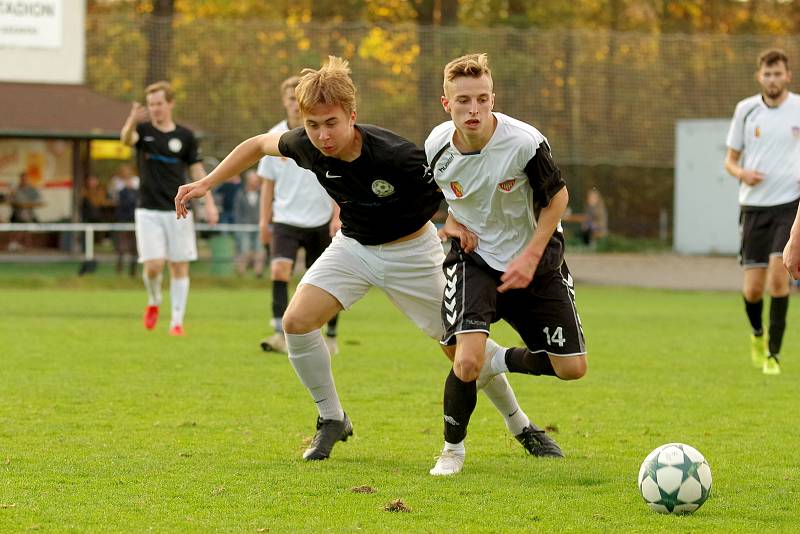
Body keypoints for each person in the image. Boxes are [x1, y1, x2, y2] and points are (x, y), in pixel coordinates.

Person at [175, 56, 553, 463]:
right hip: (354, 248)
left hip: (413, 253)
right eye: (313, 125)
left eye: (331, 123)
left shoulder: (397, 156)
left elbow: (454, 188)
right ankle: (331, 419)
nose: (322, 135)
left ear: (352, 116)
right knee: (296, 322)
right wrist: (206, 182)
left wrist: (455, 223)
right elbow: (257, 146)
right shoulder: (305, 143)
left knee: (463, 353)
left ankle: (521, 425)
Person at [425, 53, 587, 476]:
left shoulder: (524, 142)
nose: (473, 110)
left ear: (493, 98)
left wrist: (531, 255)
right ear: (447, 104)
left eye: (481, 99)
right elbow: (448, 193)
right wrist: (452, 221)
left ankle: (501, 361)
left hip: (535, 261)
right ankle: (452, 451)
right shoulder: (436, 146)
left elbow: (558, 198)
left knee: (571, 368)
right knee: (465, 361)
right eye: (463, 101)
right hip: (474, 260)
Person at [121, 80, 219, 336]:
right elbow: (125, 140)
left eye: (159, 104)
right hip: (148, 210)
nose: (155, 109)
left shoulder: (185, 137)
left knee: (178, 265)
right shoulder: (142, 131)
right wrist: (132, 120)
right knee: (153, 266)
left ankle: (176, 322)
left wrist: (209, 203)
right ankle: (154, 301)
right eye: (151, 104)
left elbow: (198, 171)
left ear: (170, 104)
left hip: (179, 210)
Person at [725, 48, 800, 376]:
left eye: (778, 73)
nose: (773, 79)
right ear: (760, 77)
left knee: (778, 281)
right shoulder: (746, 110)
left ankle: (773, 355)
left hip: (789, 205)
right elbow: (729, 160)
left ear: (788, 75)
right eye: (767, 74)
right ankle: (757, 335)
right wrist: (743, 174)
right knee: (753, 289)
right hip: (754, 206)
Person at [256, 75, 341, 356]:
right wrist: (263, 221)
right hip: (285, 220)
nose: (295, 104)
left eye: (299, 99)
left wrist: (336, 215)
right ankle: (279, 332)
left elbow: (339, 180)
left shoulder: (320, 134)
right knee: (280, 270)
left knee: (324, 278)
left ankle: (329, 335)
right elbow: (268, 185)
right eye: (290, 99)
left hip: (320, 219)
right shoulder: (274, 136)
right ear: (284, 101)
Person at [233, 170, 266, 277]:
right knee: (244, 250)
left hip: (258, 227)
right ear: (248, 181)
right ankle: (241, 274)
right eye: (253, 180)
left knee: (259, 251)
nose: (256, 182)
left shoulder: (262, 194)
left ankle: (258, 275)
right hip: (244, 228)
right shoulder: (240, 194)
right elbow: (237, 212)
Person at [8, 170, 44, 250]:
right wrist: (12, 196)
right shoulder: (16, 189)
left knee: (25, 225)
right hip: (16, 212)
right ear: (20, 179)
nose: (24, 180)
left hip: (28, 212)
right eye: (22, 178)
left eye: (26, 178)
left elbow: (39, 199)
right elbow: (10, 200)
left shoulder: (31, 189)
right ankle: (16, 243)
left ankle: (16, 243)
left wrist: (30, 204)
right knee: (20, 226)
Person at [115, 170, 140, 276]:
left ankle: (133, 272)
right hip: (124, 222)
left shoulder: (136, 192)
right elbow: (124, 206)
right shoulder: (122, 193)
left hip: (134, 222)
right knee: (122, 247)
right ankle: (119, 271)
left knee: (135, 248)